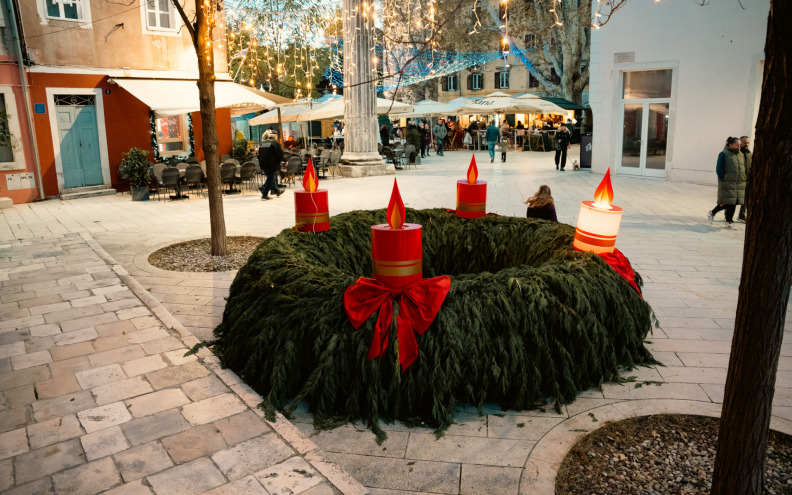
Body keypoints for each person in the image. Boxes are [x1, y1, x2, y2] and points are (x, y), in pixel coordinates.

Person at [708, 136, 747, 229]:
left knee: (732, 202)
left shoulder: (740, 154)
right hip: (727, 182)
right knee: (729, 203)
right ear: (730, 144)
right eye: (737, 145)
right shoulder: (723, 154)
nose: (739, 146)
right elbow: (719, 169)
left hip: (738, 183)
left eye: (739, 145)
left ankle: (713, 213)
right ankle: (728, 222)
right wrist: (723, 178)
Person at [257, 135, 284, 201]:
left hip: (263, 164)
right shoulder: (275, 143)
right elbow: (279, 153)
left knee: (271, 177)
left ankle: (275, 190)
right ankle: (264, 194)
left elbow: (259, 154)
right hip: (272, 164)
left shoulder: (262, 143)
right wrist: (284, 160)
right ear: (275, 137)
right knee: (270, 178)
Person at [737, 135, 752, 221]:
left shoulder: (750, 153)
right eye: (745, 142)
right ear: (740, 142)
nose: (746, 144)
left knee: (746, 199)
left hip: (747, 180)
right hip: (738, 180)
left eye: (748, 143)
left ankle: (742, 216)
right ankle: (727, 215)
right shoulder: (736, 153)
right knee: (734, 199)